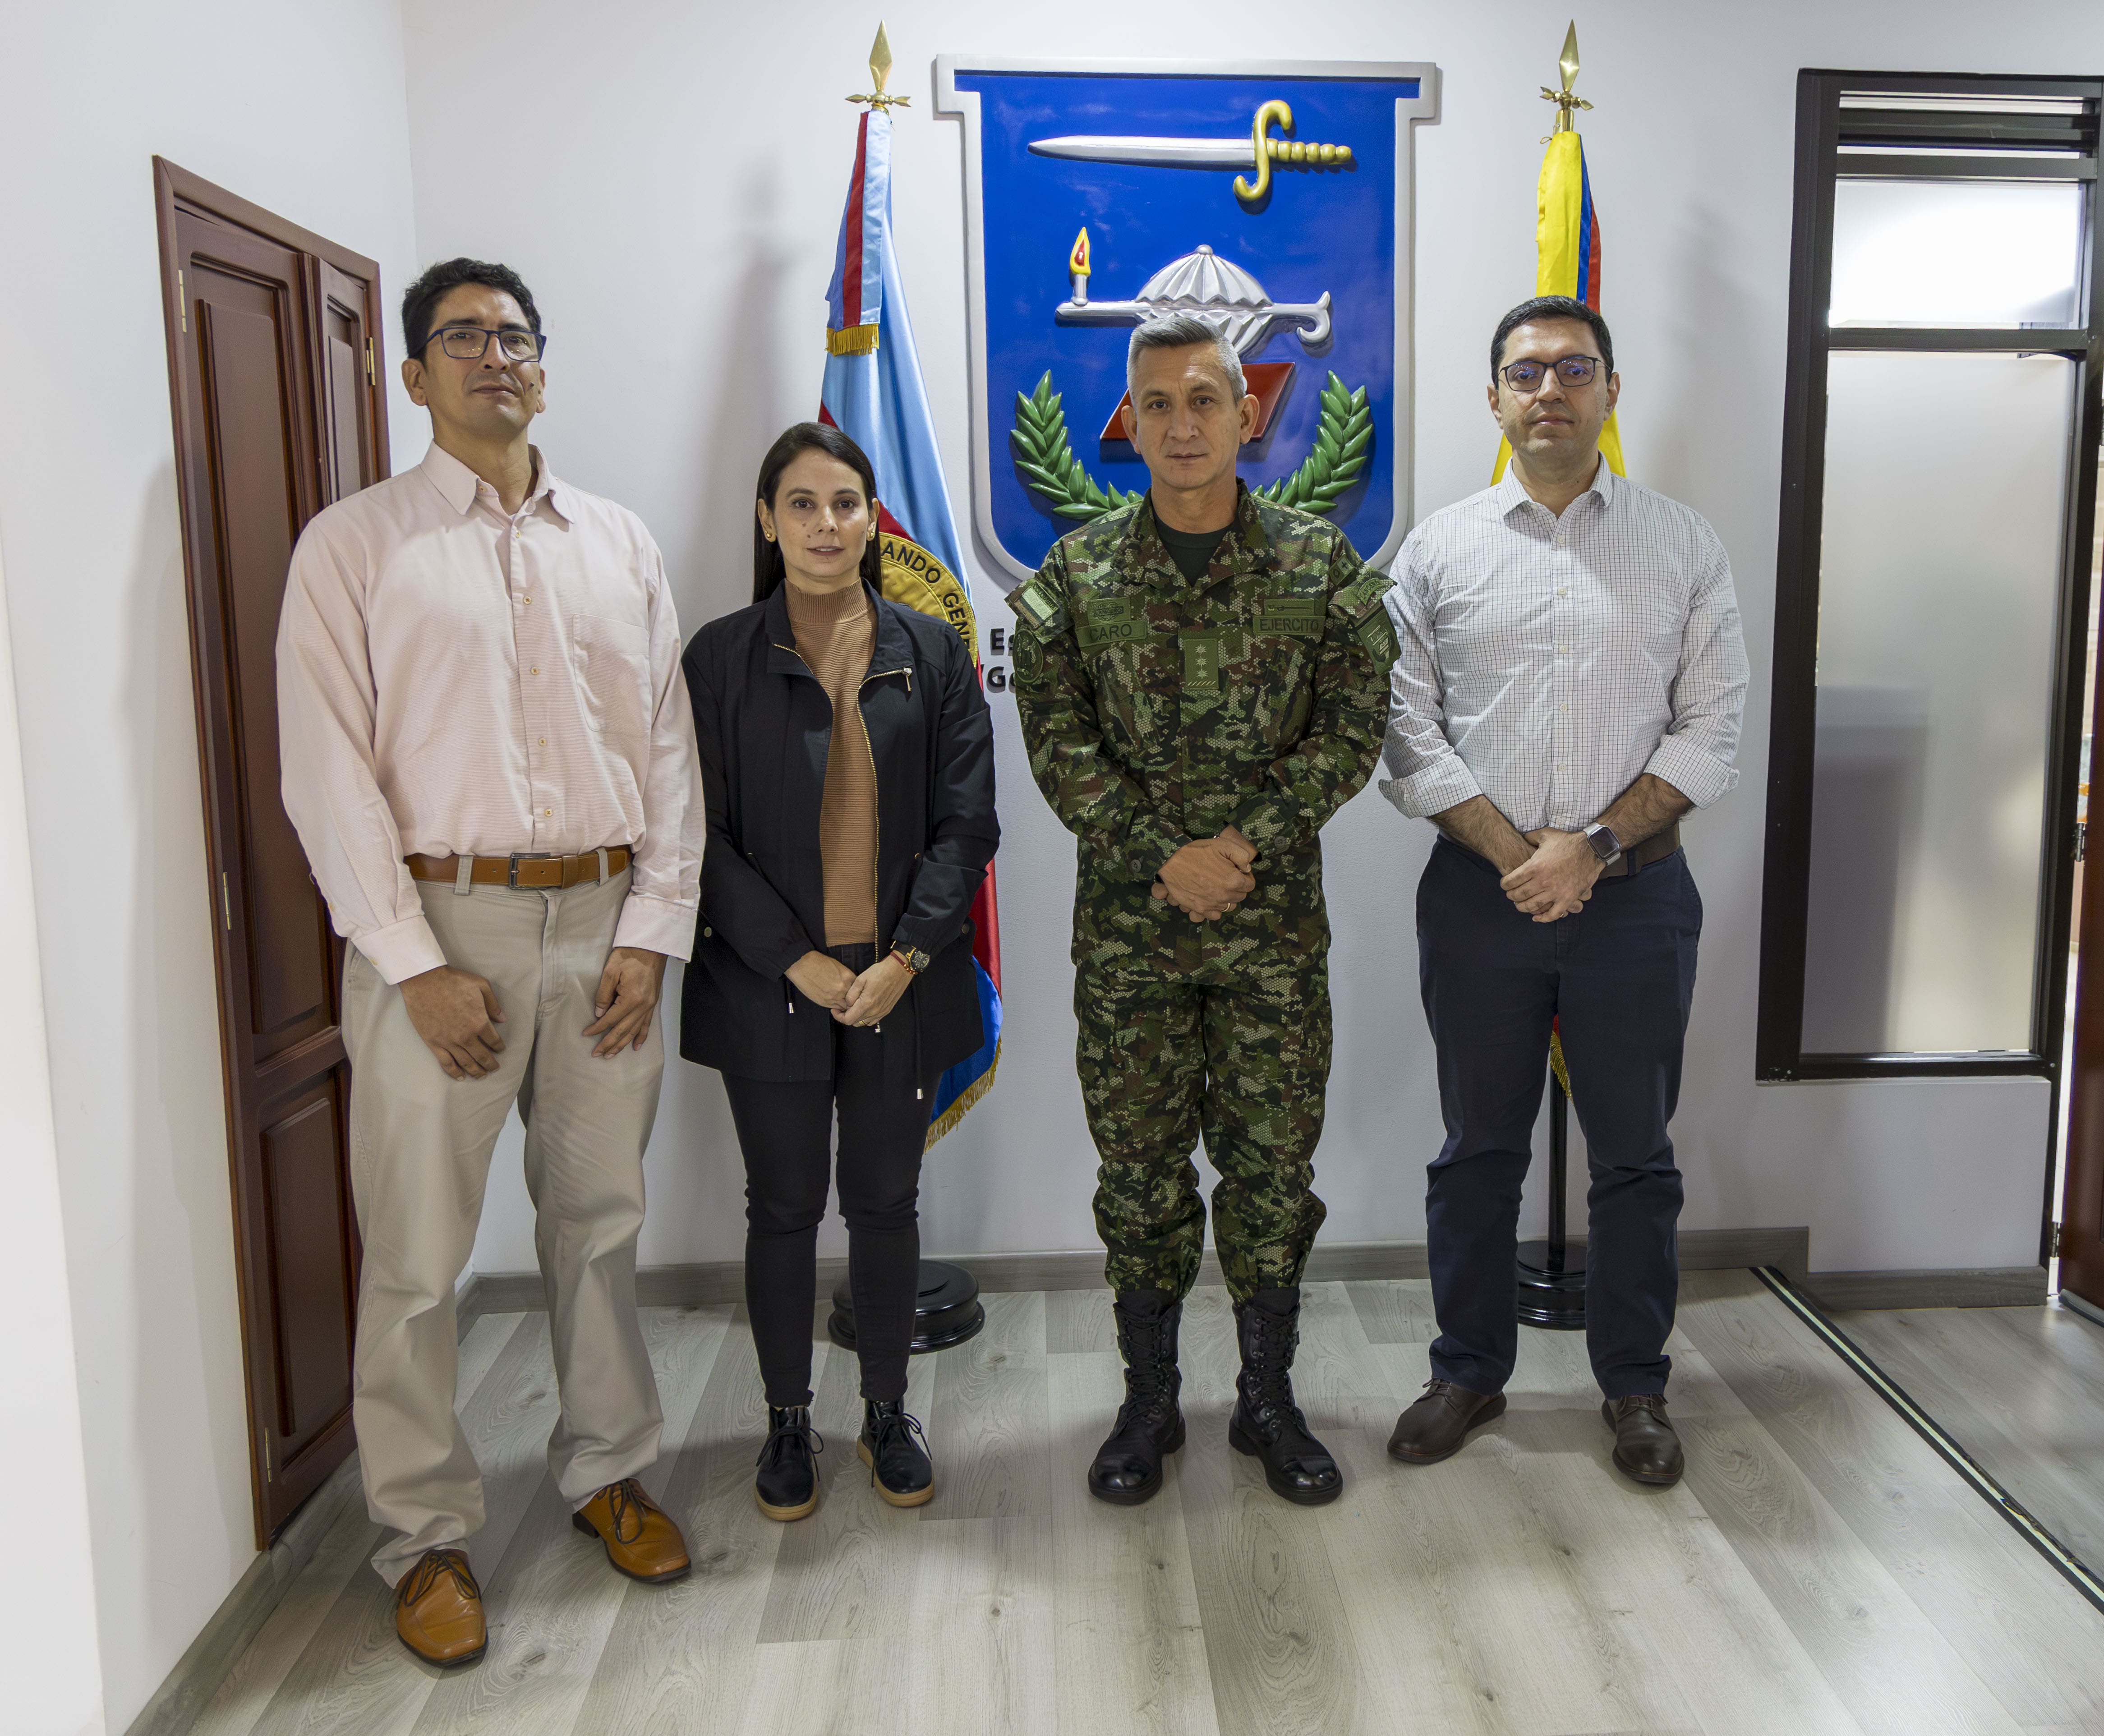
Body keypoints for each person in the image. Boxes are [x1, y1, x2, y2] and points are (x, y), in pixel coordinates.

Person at [276, 258, 703, 1667]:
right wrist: (408, 962)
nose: (494, 356)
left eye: (515, 336)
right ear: (414, 376)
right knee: (413, 1258)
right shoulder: (355, 547)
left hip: (602, 931)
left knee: (599, 1223)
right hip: (439, 934)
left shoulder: (619, 545)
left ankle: (607, 1471)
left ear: (542, 365)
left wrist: (650, 932)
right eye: (462, 337)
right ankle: (426, 1533)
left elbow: (666, 754)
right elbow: (325, 774)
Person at [1008, 314, 1395, 1509]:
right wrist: (1159, 854)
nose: (1181, 425)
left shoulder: (1318, 567)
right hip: (1130, 939)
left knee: (1272, 1166)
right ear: (1129, 422)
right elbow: (1055, 739)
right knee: (1140, 1170)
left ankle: (1267, 1402)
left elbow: (1354, 725)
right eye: (1158, 404)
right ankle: (1149, 1401)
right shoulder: (1075, 577)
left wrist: (1243, 845)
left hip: (1271, 935)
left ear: (1248, 416)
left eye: (1205, 401)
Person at [1378, 294, 1749, 1487]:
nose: (1550, 390)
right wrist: (1514, 854)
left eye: (1574, 370)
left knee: (1634, 1156)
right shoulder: (1437, 551)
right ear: (1492, 398)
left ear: (1608, 392)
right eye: (1525, 372)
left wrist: (1586, 845)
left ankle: (1635, 1387)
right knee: (1477, 1149)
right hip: (1477, 901)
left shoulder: (1682, 545)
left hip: (1636, 898)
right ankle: (1467, 1371)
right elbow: (1405, 731)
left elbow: (1713, 730)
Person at [680, 423, 997, 1522]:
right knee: (781, 1208)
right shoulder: (718, 656)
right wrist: (797, 960)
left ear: (874, 520)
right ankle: (784, 1419)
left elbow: (969, 826)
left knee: (884, 1202)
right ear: (767, 520)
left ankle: (885, 1410)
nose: (827, 525)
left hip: (896, 983)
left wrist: (905, 955)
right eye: (802, 504)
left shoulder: (932, 648)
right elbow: (696, 835)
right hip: (769, 981)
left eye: (847, 503)